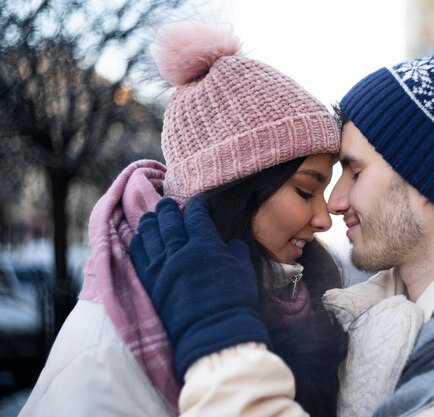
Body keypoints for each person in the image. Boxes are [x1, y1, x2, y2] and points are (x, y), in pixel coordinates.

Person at [129, 28, 434, 417]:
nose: (335, 204)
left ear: (429, 180)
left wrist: (219, 339)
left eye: (355, 172)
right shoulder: (371, 326)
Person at [19, 20, 348, 417]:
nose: (324, 219)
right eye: (305, 190)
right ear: (236, 187)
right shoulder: (112, 340)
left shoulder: (298, 297)